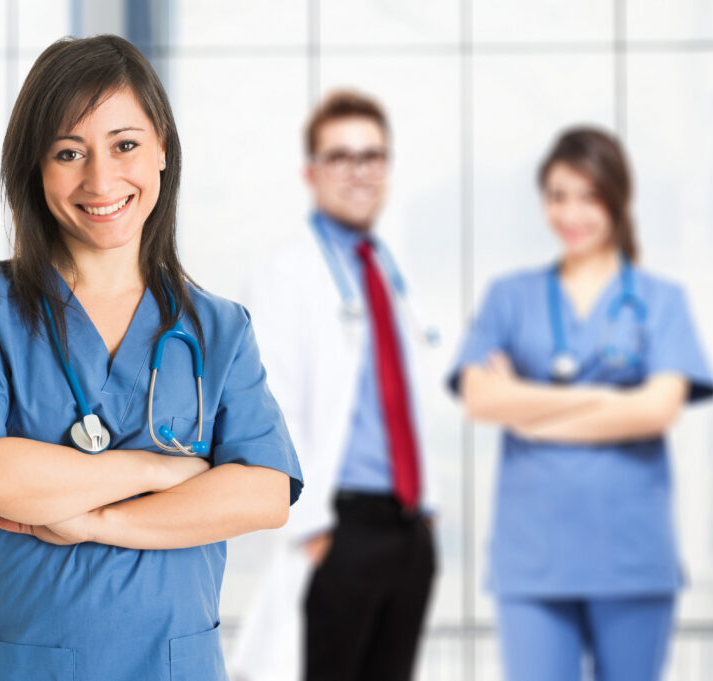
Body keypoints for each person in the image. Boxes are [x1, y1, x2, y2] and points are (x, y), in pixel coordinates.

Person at [0, 35, 302, 681]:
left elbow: (264, 492)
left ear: (162, 147)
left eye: (124, 144)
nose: (101, 179)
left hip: (172, 664)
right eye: (68, 152)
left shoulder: (217, 327)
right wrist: (161, 470)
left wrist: (97, 519)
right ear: (35, 167)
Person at [448, 127, 713, 681]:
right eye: (557, 195)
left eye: (589, 196)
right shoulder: (510, 296)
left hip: (632, 559)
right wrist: (608, 402)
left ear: (617, 199)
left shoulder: (659, 300)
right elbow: (478, 398)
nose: (571, 212)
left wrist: (528, 411)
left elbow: (657, 411)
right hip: (533, 562)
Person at [234, 90, 439, 681]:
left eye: (372, 156)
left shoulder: (387, 270)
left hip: (408, 530)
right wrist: (313, 531)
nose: (360, 171)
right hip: (338, 529)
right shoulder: (286, 273)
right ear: (311, 172)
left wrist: (425, 522)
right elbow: (270, 405)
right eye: (342, 156)